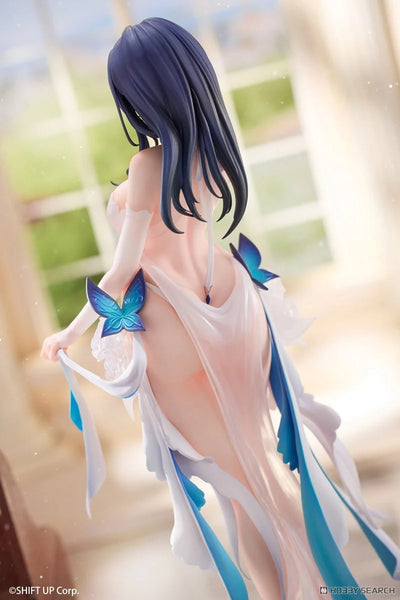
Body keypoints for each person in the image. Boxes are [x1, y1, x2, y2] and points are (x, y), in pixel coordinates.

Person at [41, 18, 400, 600]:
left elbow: (123, 268)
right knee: (261, 469)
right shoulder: (211, 151)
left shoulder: (148, 164)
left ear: (139, 93)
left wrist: (72, 329)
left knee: (240, 489)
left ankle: (287, 593)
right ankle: (314, 586)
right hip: (234, 306)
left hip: (172, 325)